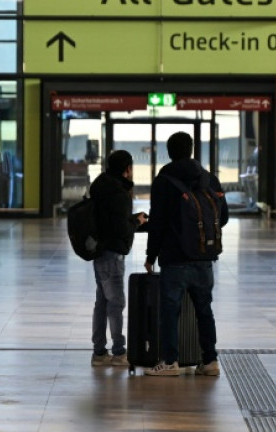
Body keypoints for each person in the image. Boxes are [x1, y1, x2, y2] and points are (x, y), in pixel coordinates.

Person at [143, 132, 228, 376]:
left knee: (170, 311)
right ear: (191, 150)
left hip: (175, 257)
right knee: (204, 309)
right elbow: (223, 216)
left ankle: (170, 362)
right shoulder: (209, 178)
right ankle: (210, 361)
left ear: (169, 152)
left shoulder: (164, 180)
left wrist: (151, 255)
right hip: (204, 257)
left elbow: (157, 222)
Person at [89, 150, 147, 367]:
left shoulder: (101, 186)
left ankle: (99, 351)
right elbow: (121, 228)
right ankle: (119, 351)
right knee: (116, 303)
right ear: (127, 169)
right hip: (113, 254)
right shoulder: (119, 193)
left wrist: (130, 220)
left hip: (99, 251)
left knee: (102, 302)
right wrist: (137, 222)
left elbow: (110, 220)